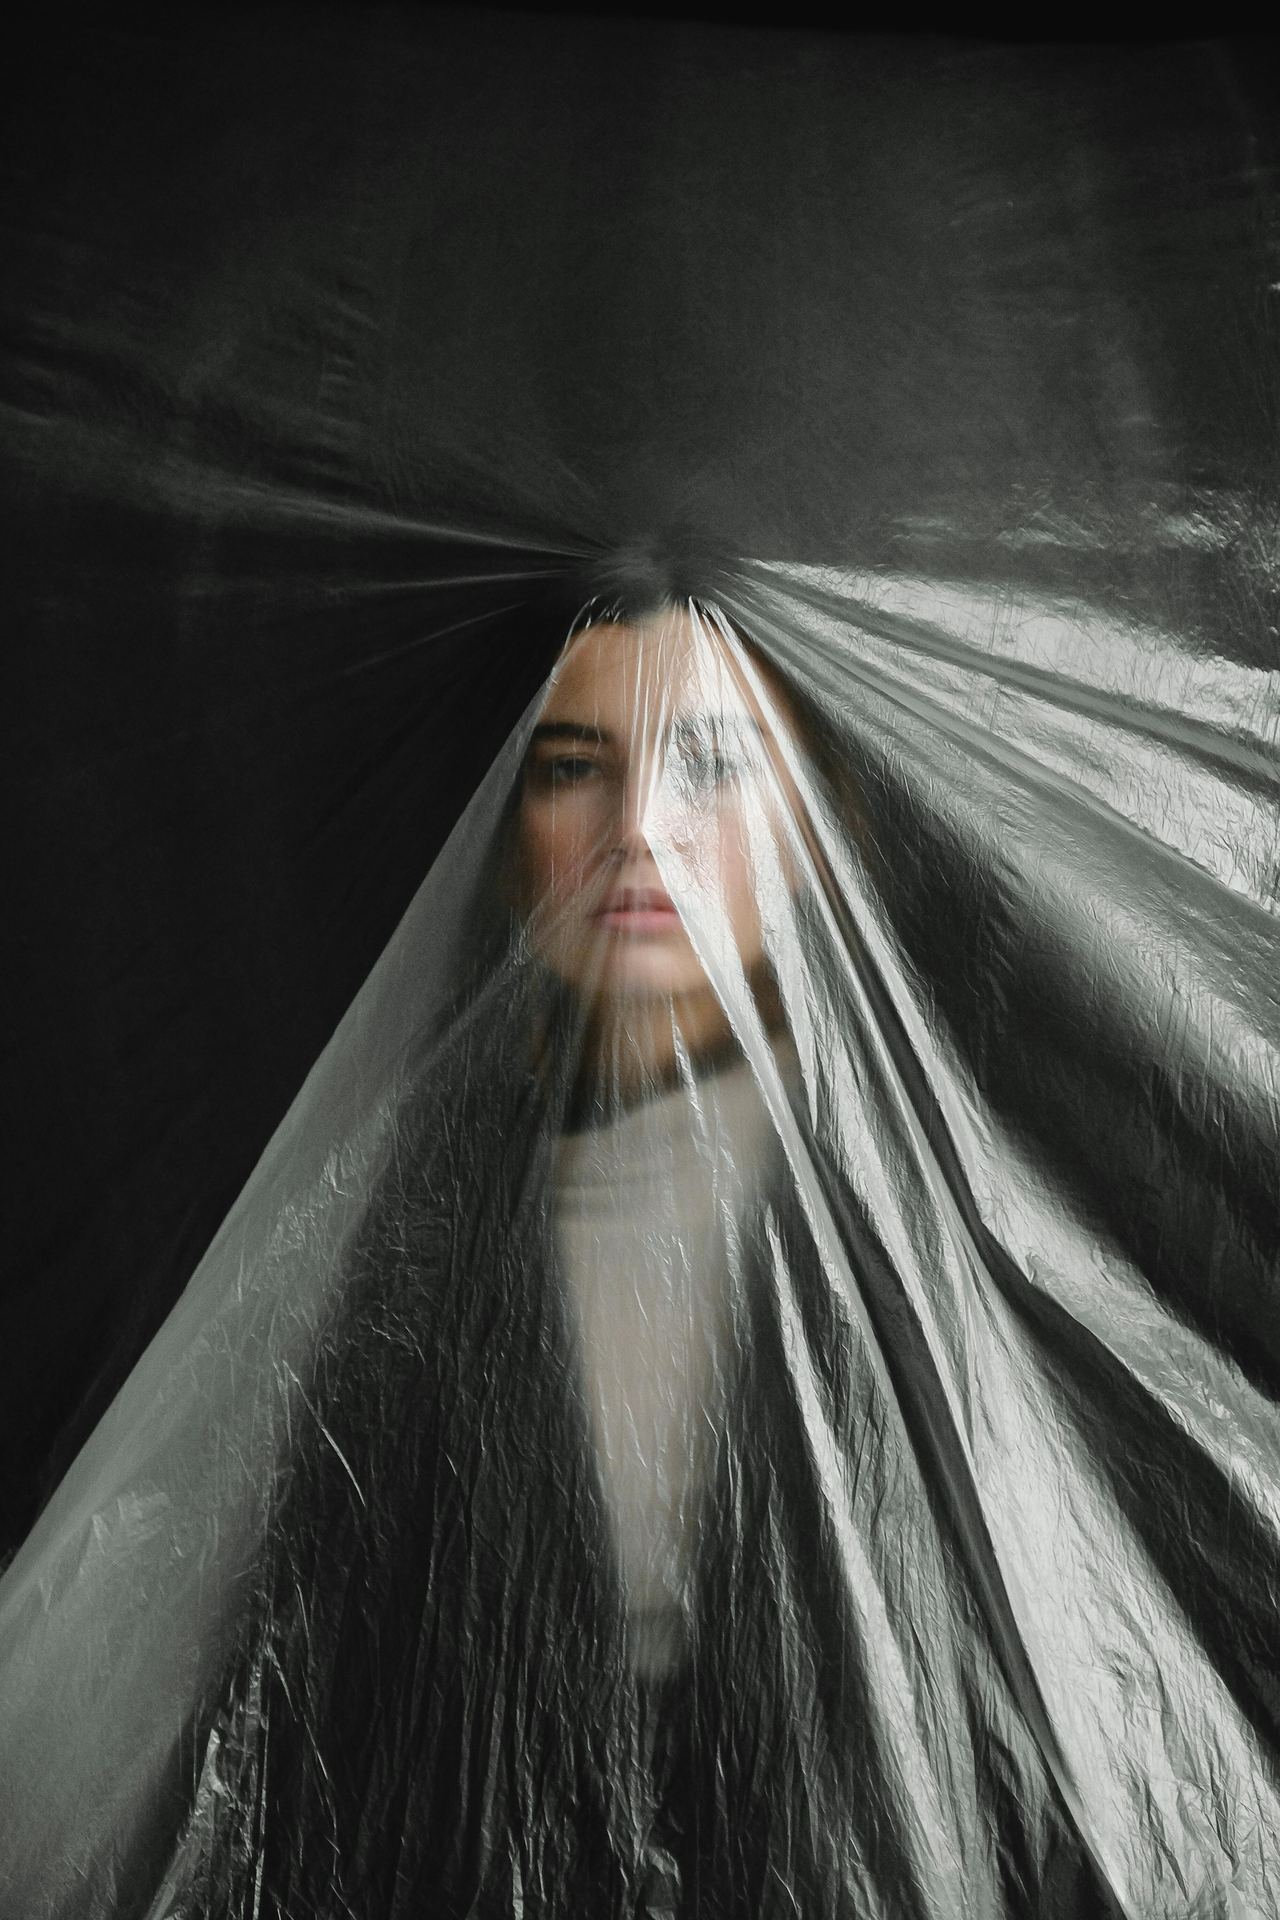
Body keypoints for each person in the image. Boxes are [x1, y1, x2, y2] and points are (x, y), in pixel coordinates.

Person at [2, 547, 1274, 1920]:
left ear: (818, 823)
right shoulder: (410, 1239)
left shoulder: (938, 1232)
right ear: (503, 832)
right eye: (571, 768)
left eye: (710, 763)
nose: (642, 828)